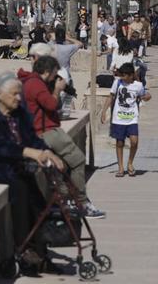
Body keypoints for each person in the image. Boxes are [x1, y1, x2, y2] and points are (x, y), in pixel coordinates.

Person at [0, 72, 64, 275]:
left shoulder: (19, 112)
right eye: (14, 94)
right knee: (20, 193)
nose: (19, 98)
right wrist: (28, 152)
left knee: (39, 201)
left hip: (15, 164)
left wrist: (46, 151)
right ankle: (23, 250)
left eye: (19, 94)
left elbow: (31, 137)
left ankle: (41, 254)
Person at [17, 56, 105, 218]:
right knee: (78, 160)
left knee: (62, 166)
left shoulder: (29, 82)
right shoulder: (36, 85)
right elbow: (51, 104)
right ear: (47, 71)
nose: (56, 76)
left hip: (40, 131)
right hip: (46, 131)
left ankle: (67, 200)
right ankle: (82, 203)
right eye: (54, 73)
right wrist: (57, 89)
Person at [101, 63, 150, 177]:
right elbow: (111, 96)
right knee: (119, 142)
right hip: (118, 118)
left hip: (132, 118)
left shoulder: (138, 85)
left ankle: (130, 163)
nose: (122, 78)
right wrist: (104, 111)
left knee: (134, 141)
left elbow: (146, 96)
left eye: (125, 76)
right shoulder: (117, 83)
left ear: (131, 75)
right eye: (121, 75)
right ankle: (121, 167)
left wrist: (146, 97)